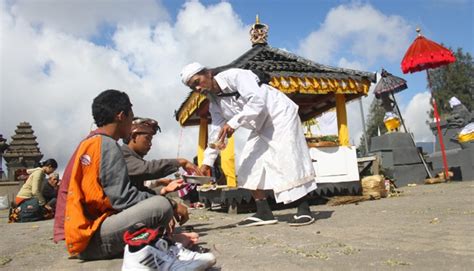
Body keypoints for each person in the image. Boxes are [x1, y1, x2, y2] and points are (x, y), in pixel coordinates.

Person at [53, 89, 215, 270]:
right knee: (160, 206)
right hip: (89, 240)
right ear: (121, 116)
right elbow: (123, 199)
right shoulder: (106, 145)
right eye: (131, 116)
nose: (131, 123)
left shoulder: (93, 142)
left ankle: (161, 244)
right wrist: (171, 204)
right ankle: (154, 255)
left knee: (157, 205)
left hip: (88, 234)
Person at [180, 62, 317, 227]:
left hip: (280, 116)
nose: (197, 88)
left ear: (208, 73)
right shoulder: (214, 102)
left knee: (288, 159)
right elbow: (217, 132)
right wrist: (206, 163)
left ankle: (304, 209)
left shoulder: (236, 76)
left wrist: (233, 123)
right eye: (192, 87)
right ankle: (264, 212)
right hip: (259, 126)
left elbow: (257, 102)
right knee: (247, 164)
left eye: (197, 81)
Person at [121, 116, 202, 247]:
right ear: (134, 136)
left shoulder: (133, 158)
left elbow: (140, 192)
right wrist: (180, 162)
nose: (150, 144)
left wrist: (167, 206)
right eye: (147, 138)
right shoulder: (122, 155)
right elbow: (147, 168)